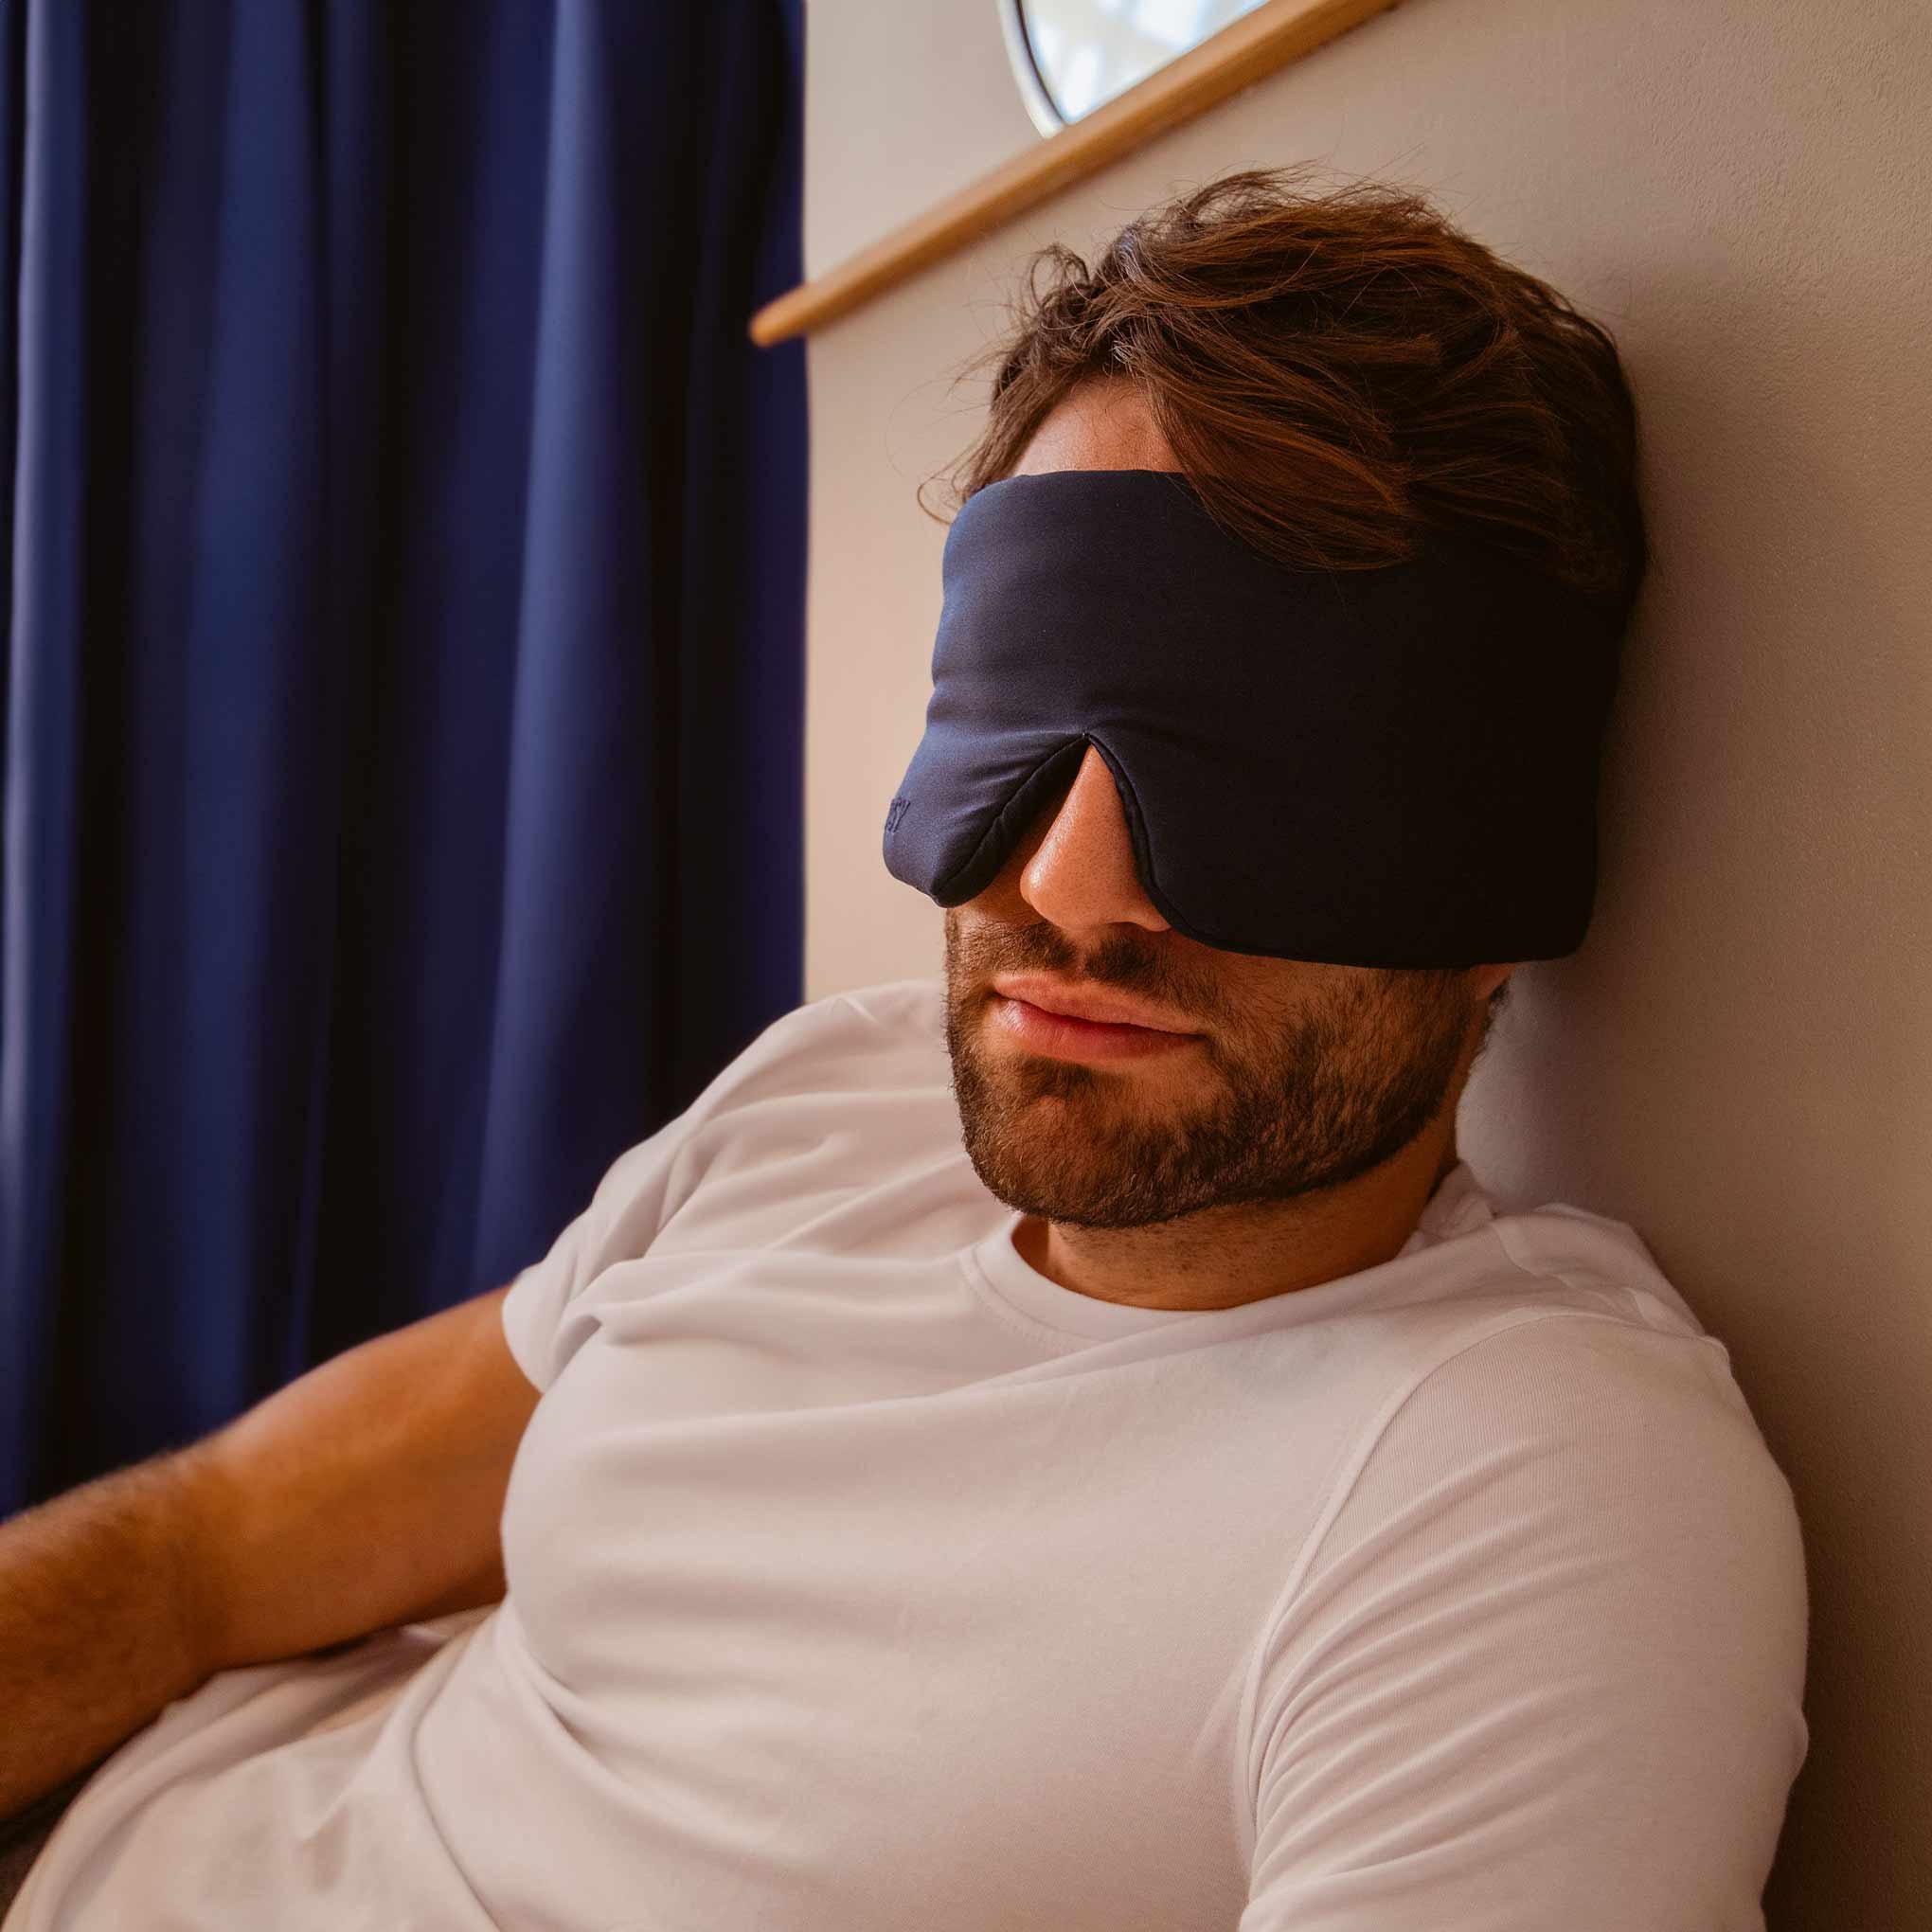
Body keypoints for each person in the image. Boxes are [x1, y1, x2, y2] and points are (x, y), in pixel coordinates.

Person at [0, 166, 1806, 1929]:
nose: (1066, 882)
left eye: (1257, 774)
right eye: (1025, 726)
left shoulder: (1528, 1495)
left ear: (1498, 874)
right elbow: (207, 1549)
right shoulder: (826, 1101)